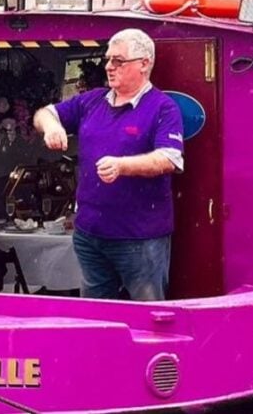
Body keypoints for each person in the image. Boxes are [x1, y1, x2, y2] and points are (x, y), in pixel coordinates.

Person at [32, 29, 184, 301]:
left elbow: (169, 158)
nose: (109, 67)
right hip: (90, 235)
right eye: (108, 59)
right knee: (97, 317)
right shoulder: (91, 101)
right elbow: (45, 113)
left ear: (144, 63)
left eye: (118, 61)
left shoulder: (163, 108)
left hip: (140, 238)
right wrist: (51, 127)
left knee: (146, 315)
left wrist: (122, 166)